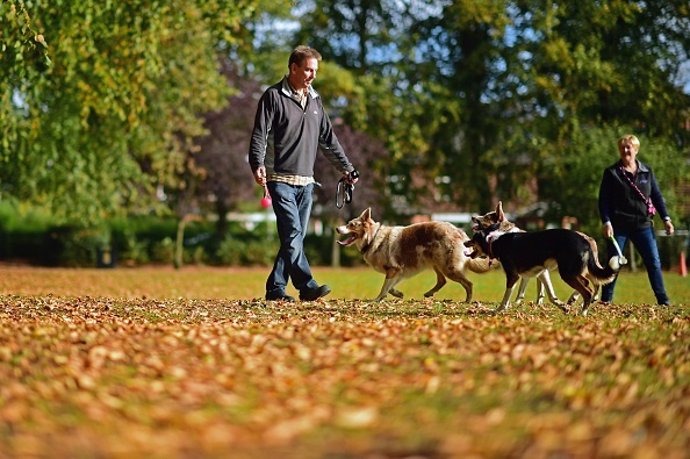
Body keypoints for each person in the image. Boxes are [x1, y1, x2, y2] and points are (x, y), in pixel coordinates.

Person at [248, 45, 358, 302]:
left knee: (292, 237)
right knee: (294, 234)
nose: (312, 75)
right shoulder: (273, 96)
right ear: (293, 68)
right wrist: (257, 163)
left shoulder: (316, 101)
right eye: (308, 70)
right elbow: (259, 134)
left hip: (306, 182)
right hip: (280, 179)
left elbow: (329, 140)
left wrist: (347, 168)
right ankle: (306, 286)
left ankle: (275, 289)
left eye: (315, 71)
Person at [598, 134, 674, 306]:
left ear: (636, 150)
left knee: (654, 262)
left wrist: (666, 219)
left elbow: (657, 196)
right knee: (613, 263)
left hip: (643, 225)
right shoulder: (611, 173)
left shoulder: (647, 171)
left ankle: (663, 301)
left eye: (629, 147)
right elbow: (603, 200)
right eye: (623, 147)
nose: (626, 150)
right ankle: (606, 301)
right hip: (619, 226)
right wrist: (606, 222)